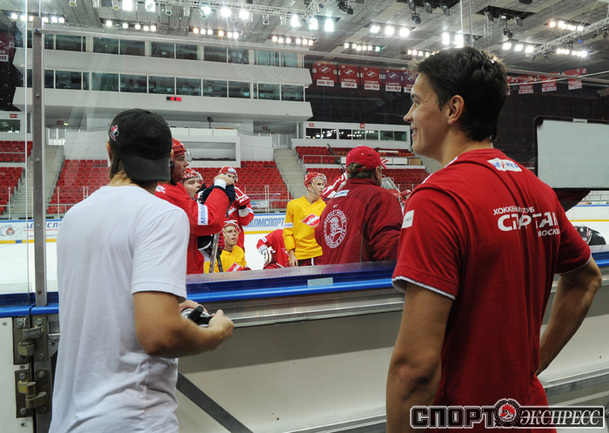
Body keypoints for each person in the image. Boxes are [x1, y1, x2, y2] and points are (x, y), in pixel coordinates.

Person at [386, 47, 602, 432]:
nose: (408, 115)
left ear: (453, 109)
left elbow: (414, 370)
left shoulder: (438, 199)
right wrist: (535, 360)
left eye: (417, 101)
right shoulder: (537, 190)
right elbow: (587, 279)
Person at [50, 109, 234, 433]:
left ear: (109, 151)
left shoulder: (74, 216)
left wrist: (167, 307)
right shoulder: (161, 215)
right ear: (167, 161)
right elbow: (160, 335)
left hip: (70, 417)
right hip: (131, 418)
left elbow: (108, 300)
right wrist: (214, 334)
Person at [155, 139, 234, 274]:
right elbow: (211, 220)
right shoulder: (165, 191)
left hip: (184, 270)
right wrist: (220, 186)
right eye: (181, 159)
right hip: (178, 276)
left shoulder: (174, 186)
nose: (186, 163)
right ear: (166, 162)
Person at [314, 146, 402, 264]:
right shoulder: (380, 197)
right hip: (363, 275)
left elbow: (319, 237)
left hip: (332, 274)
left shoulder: (332, 202)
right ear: (377, 172)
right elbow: (390, 248)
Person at [283, 172, 327, 266]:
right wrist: (291, 254)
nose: (322, 187)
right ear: (309, 186)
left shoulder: (326, 205)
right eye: (319, 184)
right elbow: (288, 232)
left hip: (321, 254)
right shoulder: (293, 205)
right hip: (300, 255)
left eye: (323, 184)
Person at [219, 166, 254, 251]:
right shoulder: (213, 195)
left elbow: (246, 222)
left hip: (237, 245)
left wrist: (243, 207)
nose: (231, 180)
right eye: (228, 176)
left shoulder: (241, 196)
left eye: (233, 177)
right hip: (219, 244)